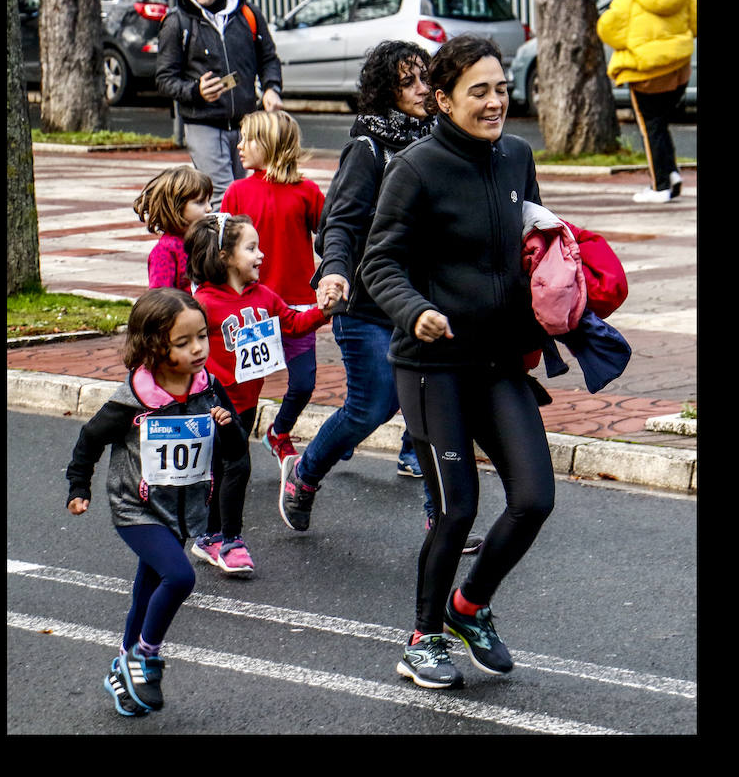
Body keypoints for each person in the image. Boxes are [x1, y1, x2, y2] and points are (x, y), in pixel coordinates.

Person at [361, 34, 555, 690]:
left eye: (501, 88)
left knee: (533, 498)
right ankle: (423, 638)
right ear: (443, 100)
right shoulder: (414, 168)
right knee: (457, 509)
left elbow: (530, 241)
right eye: (480, 91)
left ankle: (468, 607)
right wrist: (414, 309)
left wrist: (563, 279)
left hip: (498, 361)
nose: (497, 100)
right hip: (431, 366)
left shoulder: (517, 158)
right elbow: (378, 261)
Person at [277, 39, 482, 554]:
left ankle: (442, 521)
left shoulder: (440, 142)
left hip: (418, 304)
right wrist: (335, 273)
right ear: (385, 92)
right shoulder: (369, 148)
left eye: (425, 78)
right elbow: (339, 222)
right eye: (408, 81)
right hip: (366, 303)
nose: (420, 89)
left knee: (432, 410)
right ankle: (303, 473)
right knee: (373, 407)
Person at [65, 288, 249, 716]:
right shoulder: (134, 398)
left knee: (146, 591)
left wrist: (227, 428)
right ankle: (146, 654)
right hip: (137, 509)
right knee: (180, 577)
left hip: (184, 511)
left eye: (202, 337)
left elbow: (235, 449)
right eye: (183, 343)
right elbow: (89, 439)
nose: (198, 349)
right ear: (153, 346)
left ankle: (122, 666)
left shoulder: (207, 388)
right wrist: (79, 487)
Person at [184, 213, 333, 576]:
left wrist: (324, 311)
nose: (261, 255)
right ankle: (231, 541)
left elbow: (293, 324)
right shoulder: (202, 303)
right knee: (238, 464)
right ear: (224, 257)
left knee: (221, 469)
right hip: (214, 402)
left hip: (248, 402)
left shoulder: (264, 296)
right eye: (251, 248)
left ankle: (208, 536)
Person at [221, 110, 325, 464]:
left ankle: (278, 431)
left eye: (248, 138)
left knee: (304, 381)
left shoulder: (307, 191)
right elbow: (221, 249)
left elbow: (330, 236)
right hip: (251, 306)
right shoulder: (236, 192)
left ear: (271, 144)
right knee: (247, 385)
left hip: (296, 306)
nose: (239, 145)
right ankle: (231, 449)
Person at [155, 0, 284, 209]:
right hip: (204, 123)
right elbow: (164, 78)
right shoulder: (177, 21)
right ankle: (224, 249)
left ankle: (235, 247)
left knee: (240, 194)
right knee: (223, 197)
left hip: (245, 125)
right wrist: (196, 90)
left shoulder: (248, 14)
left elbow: (268, 58)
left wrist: (271, 88)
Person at [597, 0, 696, 204]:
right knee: (660, 124)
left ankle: (659, 186)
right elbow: (695, 25)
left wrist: (629, 44)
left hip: (646, 74)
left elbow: (606, 27)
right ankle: (671, 174)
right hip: (679, 72)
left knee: (650, 127)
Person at [133, 165, 213, 293]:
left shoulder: (204, 239)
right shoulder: (165, 251)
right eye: (200, 202)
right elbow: (162, 298)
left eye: (209, 201)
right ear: (176, 207)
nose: (209, 208)